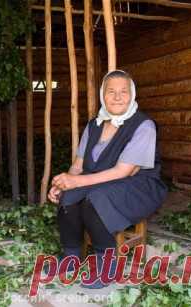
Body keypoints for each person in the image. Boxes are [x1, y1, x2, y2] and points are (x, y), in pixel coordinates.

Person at [47, 70, 168, 288]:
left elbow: (125, 171)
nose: (118, 97)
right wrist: (63, 183)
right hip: (101, 181)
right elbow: (78, 165)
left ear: (132, 95)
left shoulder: (143, 125)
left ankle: (108, 264)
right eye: (111, 91)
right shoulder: (94, 125)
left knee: (96, 198)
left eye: (124, 91)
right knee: (69, 195)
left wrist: (77, 181)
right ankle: (71, 257)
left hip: (139, 186)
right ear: (103, 95)